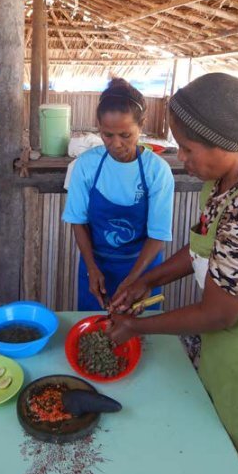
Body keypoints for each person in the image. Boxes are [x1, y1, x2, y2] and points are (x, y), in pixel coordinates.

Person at [107, 73, 238, 474]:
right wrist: (149, 278)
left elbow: (218, 315)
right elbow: (204, 247)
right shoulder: (224, 183)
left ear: (227, 146)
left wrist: (137, 325)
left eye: (189, 148)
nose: (182, 157)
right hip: (234, 347)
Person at [62, 78, 174, 311]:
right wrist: (92, 268)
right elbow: (78, 221)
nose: (116, 144)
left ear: (141, 126)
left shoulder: (157, 171)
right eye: (107, 135)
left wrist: (135, 280)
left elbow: (158, 235)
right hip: (97, 266)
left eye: (125, 135)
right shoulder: (86, 166)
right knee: (94, 331)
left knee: (139, 335)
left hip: (143, 269)